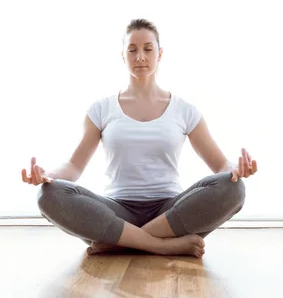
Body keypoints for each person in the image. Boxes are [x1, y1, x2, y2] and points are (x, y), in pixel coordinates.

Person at [21, 19, 258, 258]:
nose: (140, 57)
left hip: (170, 212)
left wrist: (235, 170)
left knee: (234, 189)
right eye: (132, 50)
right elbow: (73, 166)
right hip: (116, 212)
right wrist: (49, 176)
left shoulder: (184, 110)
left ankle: (123, 242)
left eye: (148, 48)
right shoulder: (101, 109)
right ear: (123, 56)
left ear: (160, 53)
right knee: (48, 195)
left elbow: (220, 166)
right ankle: (161, 245)